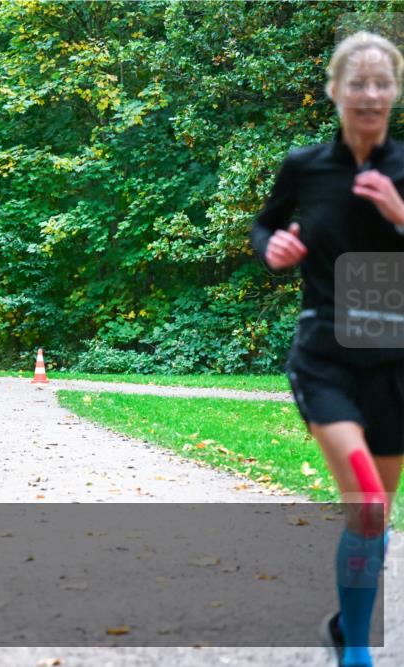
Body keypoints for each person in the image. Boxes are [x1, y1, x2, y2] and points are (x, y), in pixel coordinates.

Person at [251, 31, 404, 667]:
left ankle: (347, 625)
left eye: (381, 82)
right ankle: (358, 652)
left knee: (375, 517)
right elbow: (266, 223)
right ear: (334, 90)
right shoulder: (305, 167)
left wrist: (401, 214)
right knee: (367, 504)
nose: (369, 93)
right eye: (357, 82)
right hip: (326, 354)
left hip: (394, 359)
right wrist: (272, 247)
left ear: (395, 92)